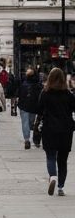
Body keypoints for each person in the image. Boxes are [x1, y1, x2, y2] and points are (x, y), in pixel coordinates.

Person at [33, 67, 75, 196]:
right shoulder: (68, 94)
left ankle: (53, 177)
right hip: (66, 129)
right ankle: (61, 187)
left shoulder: (45, 93)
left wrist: (37, 122)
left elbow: (39, 110)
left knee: (50, 156)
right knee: (62, 160)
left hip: (49, 128)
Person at [17, 67, 41, 149]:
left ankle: (27, 139)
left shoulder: (24, 84)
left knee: (26, 123)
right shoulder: (37, 85)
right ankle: (27, 140)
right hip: (32, 107)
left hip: (25, 106)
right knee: (29, 122)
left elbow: (19, 94)